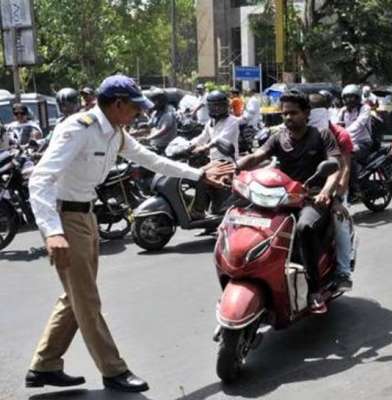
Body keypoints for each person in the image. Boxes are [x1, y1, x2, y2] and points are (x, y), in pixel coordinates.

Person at [25, 74, 229, 393]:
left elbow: (151, 160)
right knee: (87, 299)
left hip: (86, 215)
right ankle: (113, 370)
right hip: (65, 217)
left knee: (76, 296)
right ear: (118, 104)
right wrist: (52, 232)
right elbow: (39, 180)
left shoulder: (116, 134)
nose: (139, 114)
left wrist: (199, 174)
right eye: (135, 108)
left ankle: (45, 364)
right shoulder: (79, 129)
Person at [229, 89, 341, 313]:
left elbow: (334, 168)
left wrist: (326, 191)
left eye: (293, 113)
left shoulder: (321, 135)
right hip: (281, 197)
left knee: (304, 227)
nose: (288, 118)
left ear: (306, 113)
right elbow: (257, 156)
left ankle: (315, 290)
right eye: (284, 114)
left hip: (311, 198)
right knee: (246, 218)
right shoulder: (278, 137)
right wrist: (236, 166)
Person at [310, 91, 353, 291]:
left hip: (331, 189)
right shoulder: (294, 133)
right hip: (302, 189)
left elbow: (343, 169)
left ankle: (344, 271)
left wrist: (336, 197)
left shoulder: (339, 135)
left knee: (339, 220)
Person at [190, 90, 240, 218]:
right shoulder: (210, 123)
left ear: (225, 106)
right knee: (193, 174)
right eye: (213, 106)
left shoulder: (232, 121)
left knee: (200, 176)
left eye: (219, 106)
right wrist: (188, 145)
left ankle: (199, 211)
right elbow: (202, 137)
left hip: (227, 161)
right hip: (213, 162)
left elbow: (220, 139)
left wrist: (205, 147)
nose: (216, 109)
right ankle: (204, 212)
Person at [339, 84, 373, 200]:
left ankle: (355, 188)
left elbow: (359, 124)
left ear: (357, 97)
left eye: (351, 97)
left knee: (350, 155)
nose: (349, 100)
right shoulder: (343, 111)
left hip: (363, 143)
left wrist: (343, 133)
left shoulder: (365, 108)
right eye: (346, 97)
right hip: (345, 142)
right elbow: (336, 124)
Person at [144, 88, 177, 153]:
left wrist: (148, 138)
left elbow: (164, 130)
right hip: (155, 145)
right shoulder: (156, 113)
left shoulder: (168, 113)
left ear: (161, 101)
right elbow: (149, 126)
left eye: (154, 101)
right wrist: (133, 134)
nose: (151, 104)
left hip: (164, 148)